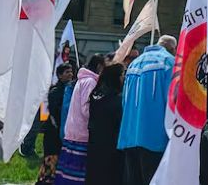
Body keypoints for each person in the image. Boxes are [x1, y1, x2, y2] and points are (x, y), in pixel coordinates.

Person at [117, 35, 175, 185]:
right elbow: (173, 103)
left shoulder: (133, 64)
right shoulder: (169, 62)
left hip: (129, 135)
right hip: (156, 137)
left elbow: (124, 101)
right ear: (173, 48)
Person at [57, 54, 105, 184]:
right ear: (100, 66)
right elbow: (86, 108)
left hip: (73, 132)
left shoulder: (81, 80)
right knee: (77, 176)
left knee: (67, 174)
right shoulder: (91, 82)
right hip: (82, 134)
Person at [85, 62, 124, 185]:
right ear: (115, 77)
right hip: (111, 149)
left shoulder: (96, 96)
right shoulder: (117, 100)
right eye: (123, 74)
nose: (125, 78)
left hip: (95, 147)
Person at [38, 64, 75, 185]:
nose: (70, 74)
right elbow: (55, 112)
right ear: (59, 75)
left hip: (63, 132)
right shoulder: (55, 91)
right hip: (53, 133)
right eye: (66, 72)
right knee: (51, 161)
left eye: (71, 72)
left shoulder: (71, 89)